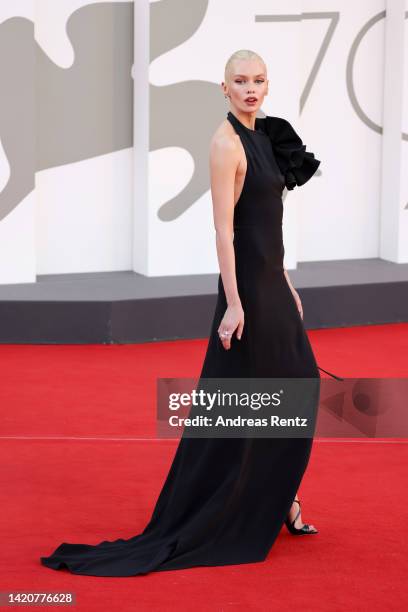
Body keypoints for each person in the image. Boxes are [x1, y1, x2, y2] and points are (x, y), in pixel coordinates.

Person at [40, 49, 340, 577]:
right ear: (223, 89)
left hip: (273, 286)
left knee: (296, 393)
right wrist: (234, 304)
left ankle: (281, 497)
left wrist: (287, 282)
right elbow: (224, 230)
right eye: (240, 81)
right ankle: (263, 504)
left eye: (259, 80)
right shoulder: (225, 144)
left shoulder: (272, 137)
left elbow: (272, 222)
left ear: (268, 86)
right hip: (246, 292)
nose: (251, 89)